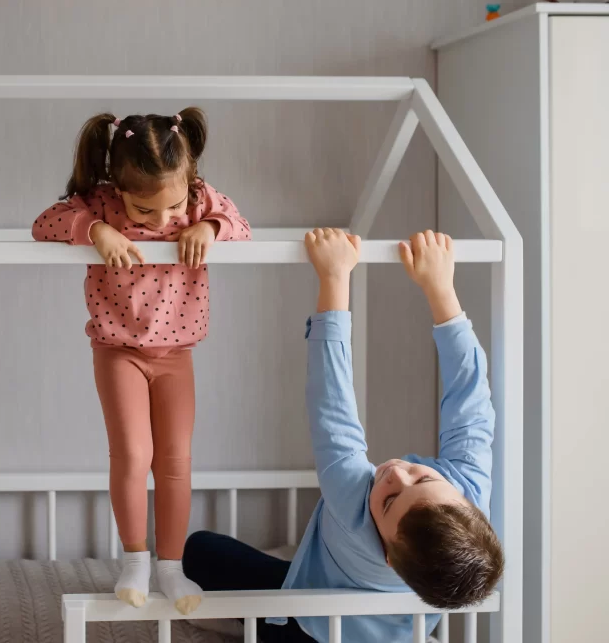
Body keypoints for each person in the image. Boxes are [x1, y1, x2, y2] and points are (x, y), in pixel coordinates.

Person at [183, 228, 504, 642]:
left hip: (313, 630)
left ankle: (248, 620)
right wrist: (442, 291)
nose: (395, 474)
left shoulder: (353, 506)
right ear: (468, 502)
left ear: (387, 556)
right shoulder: (468, 493)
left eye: (389, 501)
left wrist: (334, 280)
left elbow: (331, 405)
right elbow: (471, 402)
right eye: (421, 478)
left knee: (199, 551)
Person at [33, 109, 251, 614]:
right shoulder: (102, 204)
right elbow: (44, 223)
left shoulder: (199, 200)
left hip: (177, 353)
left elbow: (242, 224)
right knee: (133, 456)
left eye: (171, 207)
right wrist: (95, 231)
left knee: (175, 461)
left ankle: (171, 569)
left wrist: (212, 227)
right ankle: (134, 560)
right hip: (118, 351)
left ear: (190, 181)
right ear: (117, 187)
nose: (161, 222)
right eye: (144, 211)